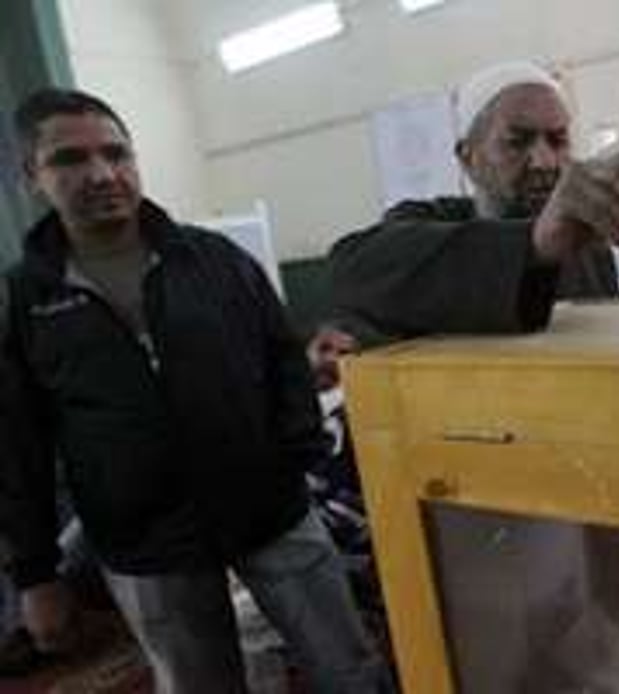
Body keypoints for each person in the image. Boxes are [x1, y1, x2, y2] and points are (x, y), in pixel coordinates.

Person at [0, 88, 389, 693]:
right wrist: (35, 575)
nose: (102, 174)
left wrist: (294, 464)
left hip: (275, 519)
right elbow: (16, 447)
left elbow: (283, 360)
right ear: (32, 176)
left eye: (116, 152)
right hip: (149, 548)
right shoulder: (22, 301)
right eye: (70, 160)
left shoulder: (215, 261)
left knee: (351, 670)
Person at [328, 61, 619, 345]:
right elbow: (349, 273)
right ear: (468, 157)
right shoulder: (424, 223)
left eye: (558, 141)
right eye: (518, 141)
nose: (545, 161)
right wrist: (535, 243)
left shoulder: (586, 247)